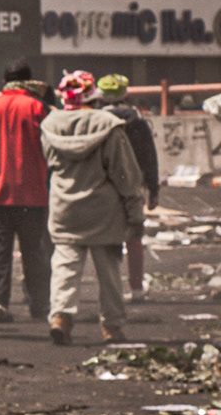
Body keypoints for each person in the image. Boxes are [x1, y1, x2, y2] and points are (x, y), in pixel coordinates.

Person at [43, 70, 147, 345]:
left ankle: (61, 318)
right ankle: (111, 327)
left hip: (65, 208)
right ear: (93, 97)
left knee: (65, 268)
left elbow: (50, 164)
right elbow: (125, 174)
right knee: (109, 272)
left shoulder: (50, 126)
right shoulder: (110, 126)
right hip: (105, 213)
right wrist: (135, 211)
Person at [0, 60, 52, 324]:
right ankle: (39, 304)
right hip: (33, 196)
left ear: (4, 81)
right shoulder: (38, 107)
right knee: (34, 253)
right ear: (28, 81)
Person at [96, 74, 159, 302]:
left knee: (108, 238)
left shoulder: (96, 121)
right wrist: (153, 190)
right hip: (134, 185)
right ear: (126, 94)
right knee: (134, 236)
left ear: (101, 97)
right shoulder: (138, 122)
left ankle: (109, 288)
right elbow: (149, 158)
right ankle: (137, 287)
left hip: (104, 186)